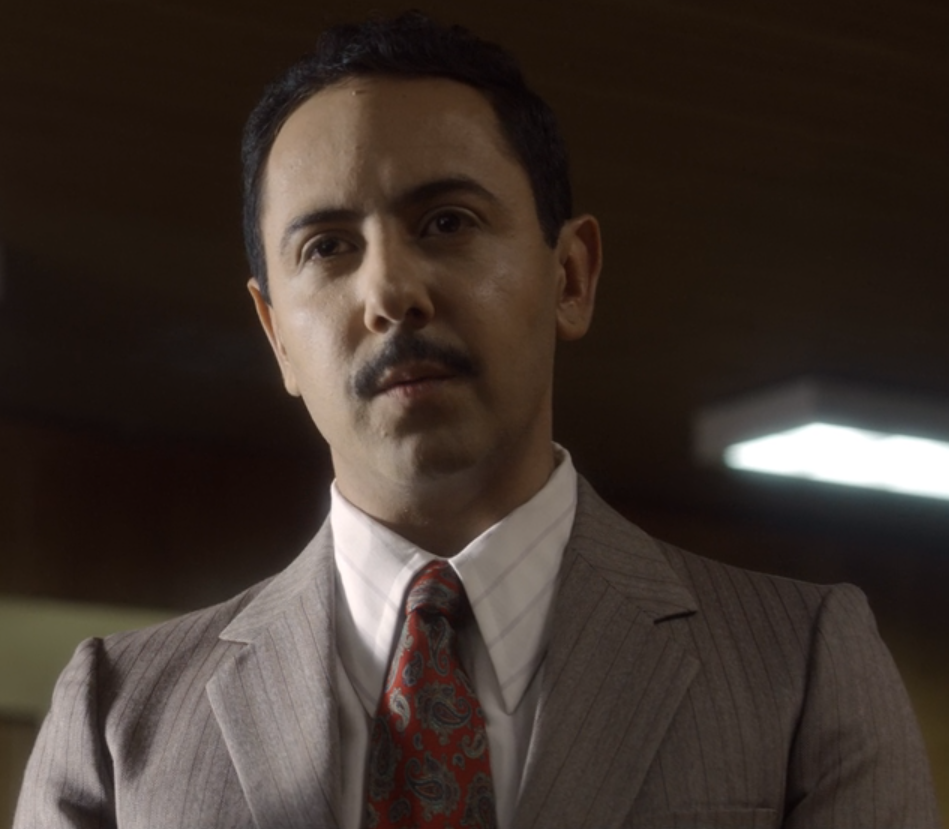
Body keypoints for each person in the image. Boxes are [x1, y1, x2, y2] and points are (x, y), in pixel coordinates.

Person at [14, 12, 941, 829]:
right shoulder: (117, 714)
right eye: (328, 246)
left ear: (570, 276)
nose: (390, 290)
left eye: (447, 222)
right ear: (277, 336)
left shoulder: (799, 667)